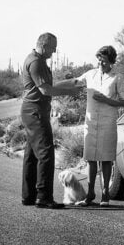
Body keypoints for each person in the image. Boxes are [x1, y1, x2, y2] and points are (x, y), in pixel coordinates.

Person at [21, 32, 84, 209]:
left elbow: (49, 86)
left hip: (31, 111)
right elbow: (46, 90)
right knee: (46, 153)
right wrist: (70, 92)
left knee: (32, 155)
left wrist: (70, 83)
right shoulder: (37, 62)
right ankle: (43, 197)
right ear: (44, 45)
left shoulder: (34, 59)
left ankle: (29, 196)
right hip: (36, 112)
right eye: (53, 47)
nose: (55, 51)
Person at [74, 45, 124, 207]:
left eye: (104, 60)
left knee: (105, 160)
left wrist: (106, 100)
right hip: (90, 123)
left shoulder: (117, 78)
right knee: (90, 159)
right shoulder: (91, 74)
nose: (100, 63)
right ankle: (90, 194)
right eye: (99, 59)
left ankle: (105, 194)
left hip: (107, 123)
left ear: (111, 61)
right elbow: (76, 83)